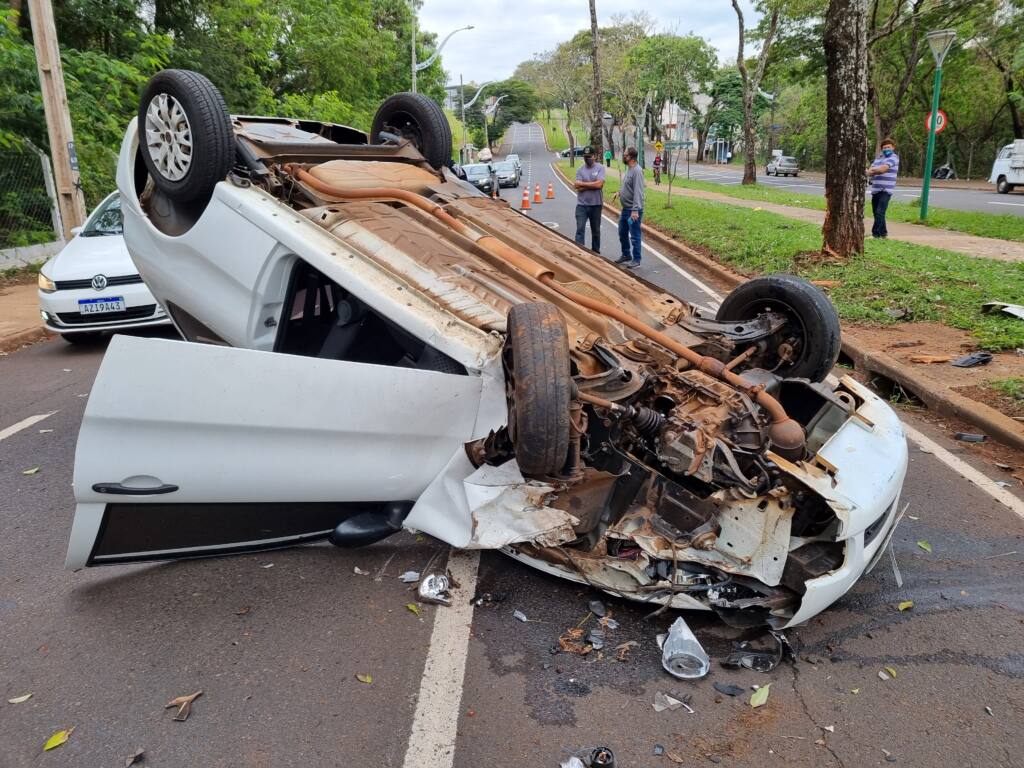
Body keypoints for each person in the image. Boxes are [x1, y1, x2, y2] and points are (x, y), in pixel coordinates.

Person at [613, 146, 644, 268]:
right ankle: (626, 254)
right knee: (622, 232)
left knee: (635, 235)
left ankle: (637, 259)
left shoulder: (637, 171)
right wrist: (619, 192)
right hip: (626, 209)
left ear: (631, 157)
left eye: (625, 155)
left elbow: (638, 191)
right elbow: (627, 186)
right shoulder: (629, 169)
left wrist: (635, 210)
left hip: (633, 210)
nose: (623, 156)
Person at [574, 146, 606, 253]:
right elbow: (577, 185)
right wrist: (593, 184)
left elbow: (599, 184)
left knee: (596, 231)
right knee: (580, 229)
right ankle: (580, 252)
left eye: (589, 157)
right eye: (585, 157)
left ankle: (595, 252)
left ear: (594, 156)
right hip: (582, 205)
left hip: (596, 205)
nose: (587, 159)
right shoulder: (580, 170)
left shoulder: (600, 168)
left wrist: (584, 185)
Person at [867, 138, 899, 238]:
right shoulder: (879, 158)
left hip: (886, 190)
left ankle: (875, 234)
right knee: (876, 212)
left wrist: (873, 171)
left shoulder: (894, 158)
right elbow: (870, 170)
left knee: (880, 212)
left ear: (893, 148)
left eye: (888, 147)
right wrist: (872, 171)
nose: (886, 149)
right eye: (884, 148)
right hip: (875, 189)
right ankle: (883, 233)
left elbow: (883, 170)